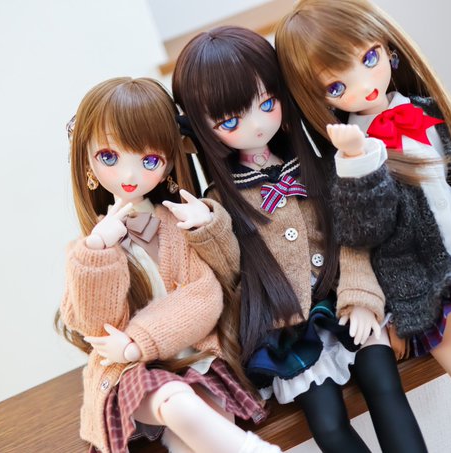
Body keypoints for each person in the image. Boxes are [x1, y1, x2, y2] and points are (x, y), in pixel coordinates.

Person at [275, 1, 451, 452]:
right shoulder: (347, 157)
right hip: (417, 281)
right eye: (338, 85)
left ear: (389, 48)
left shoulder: (428, 110)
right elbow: (367, 232)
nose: (364, 85)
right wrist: (358, 161)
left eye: (369, 58)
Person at [167, 27, 427, 453]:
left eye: (267, 104)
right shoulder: (222, 199)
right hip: (287, 328)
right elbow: (233, 273)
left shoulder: (321, 167)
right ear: (202, 131)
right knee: (327, 424)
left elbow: (354, 236)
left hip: (344, 303)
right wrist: (207, 227)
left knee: (385, 386)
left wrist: (362, 296)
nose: (256, 125)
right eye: (230, 121)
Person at [56, 77, 280, 453]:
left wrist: (137, 341)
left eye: (149, 161)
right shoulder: (88, 249)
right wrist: (98, 253)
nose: (129, 176)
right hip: (131, 374)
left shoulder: (175, 226)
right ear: (87, 162)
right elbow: (93, 325)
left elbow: (205, 296)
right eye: (109, 157)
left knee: (199, 430)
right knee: (175, 401)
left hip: (193, 357)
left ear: (170, 161)